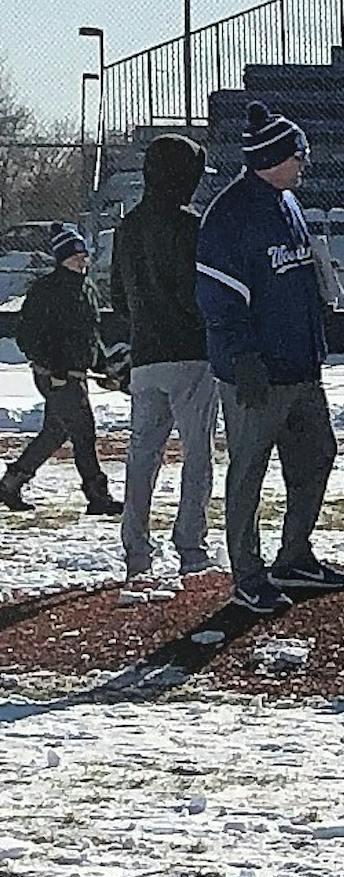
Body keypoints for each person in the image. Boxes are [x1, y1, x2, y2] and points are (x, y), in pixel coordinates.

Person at [194, 102, 344, 614]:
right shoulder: (231, 213)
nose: (304, 162)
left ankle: (294, 557)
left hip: (301, 367)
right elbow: (217, 299)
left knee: (317, 455)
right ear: (275, 156)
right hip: (255, 374)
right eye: (298, 154)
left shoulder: (288, 203)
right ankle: (247, 574)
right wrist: (243, 358)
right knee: (248, 473)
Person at [110, 133, 218, 577]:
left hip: (146, 356)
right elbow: (201, 295)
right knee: (197, 454)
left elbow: (118, 297)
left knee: (142, 454)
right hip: (190, 355)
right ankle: (190, 546)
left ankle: (137, 549)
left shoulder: (127, 226)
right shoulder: (191, 226)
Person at [1, 224, 123, 517]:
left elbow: (90, 335)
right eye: (76, 255)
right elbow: (29, 335)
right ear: (62, 257)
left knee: (55, 433)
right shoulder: (47, 290)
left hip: (76, 373)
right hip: (55, 375)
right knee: (84, 431)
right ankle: (98, 496)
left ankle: (11, 482)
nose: (82, 259)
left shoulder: (87, 287)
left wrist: (103, 366)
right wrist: (53, 367)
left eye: (84, 254)